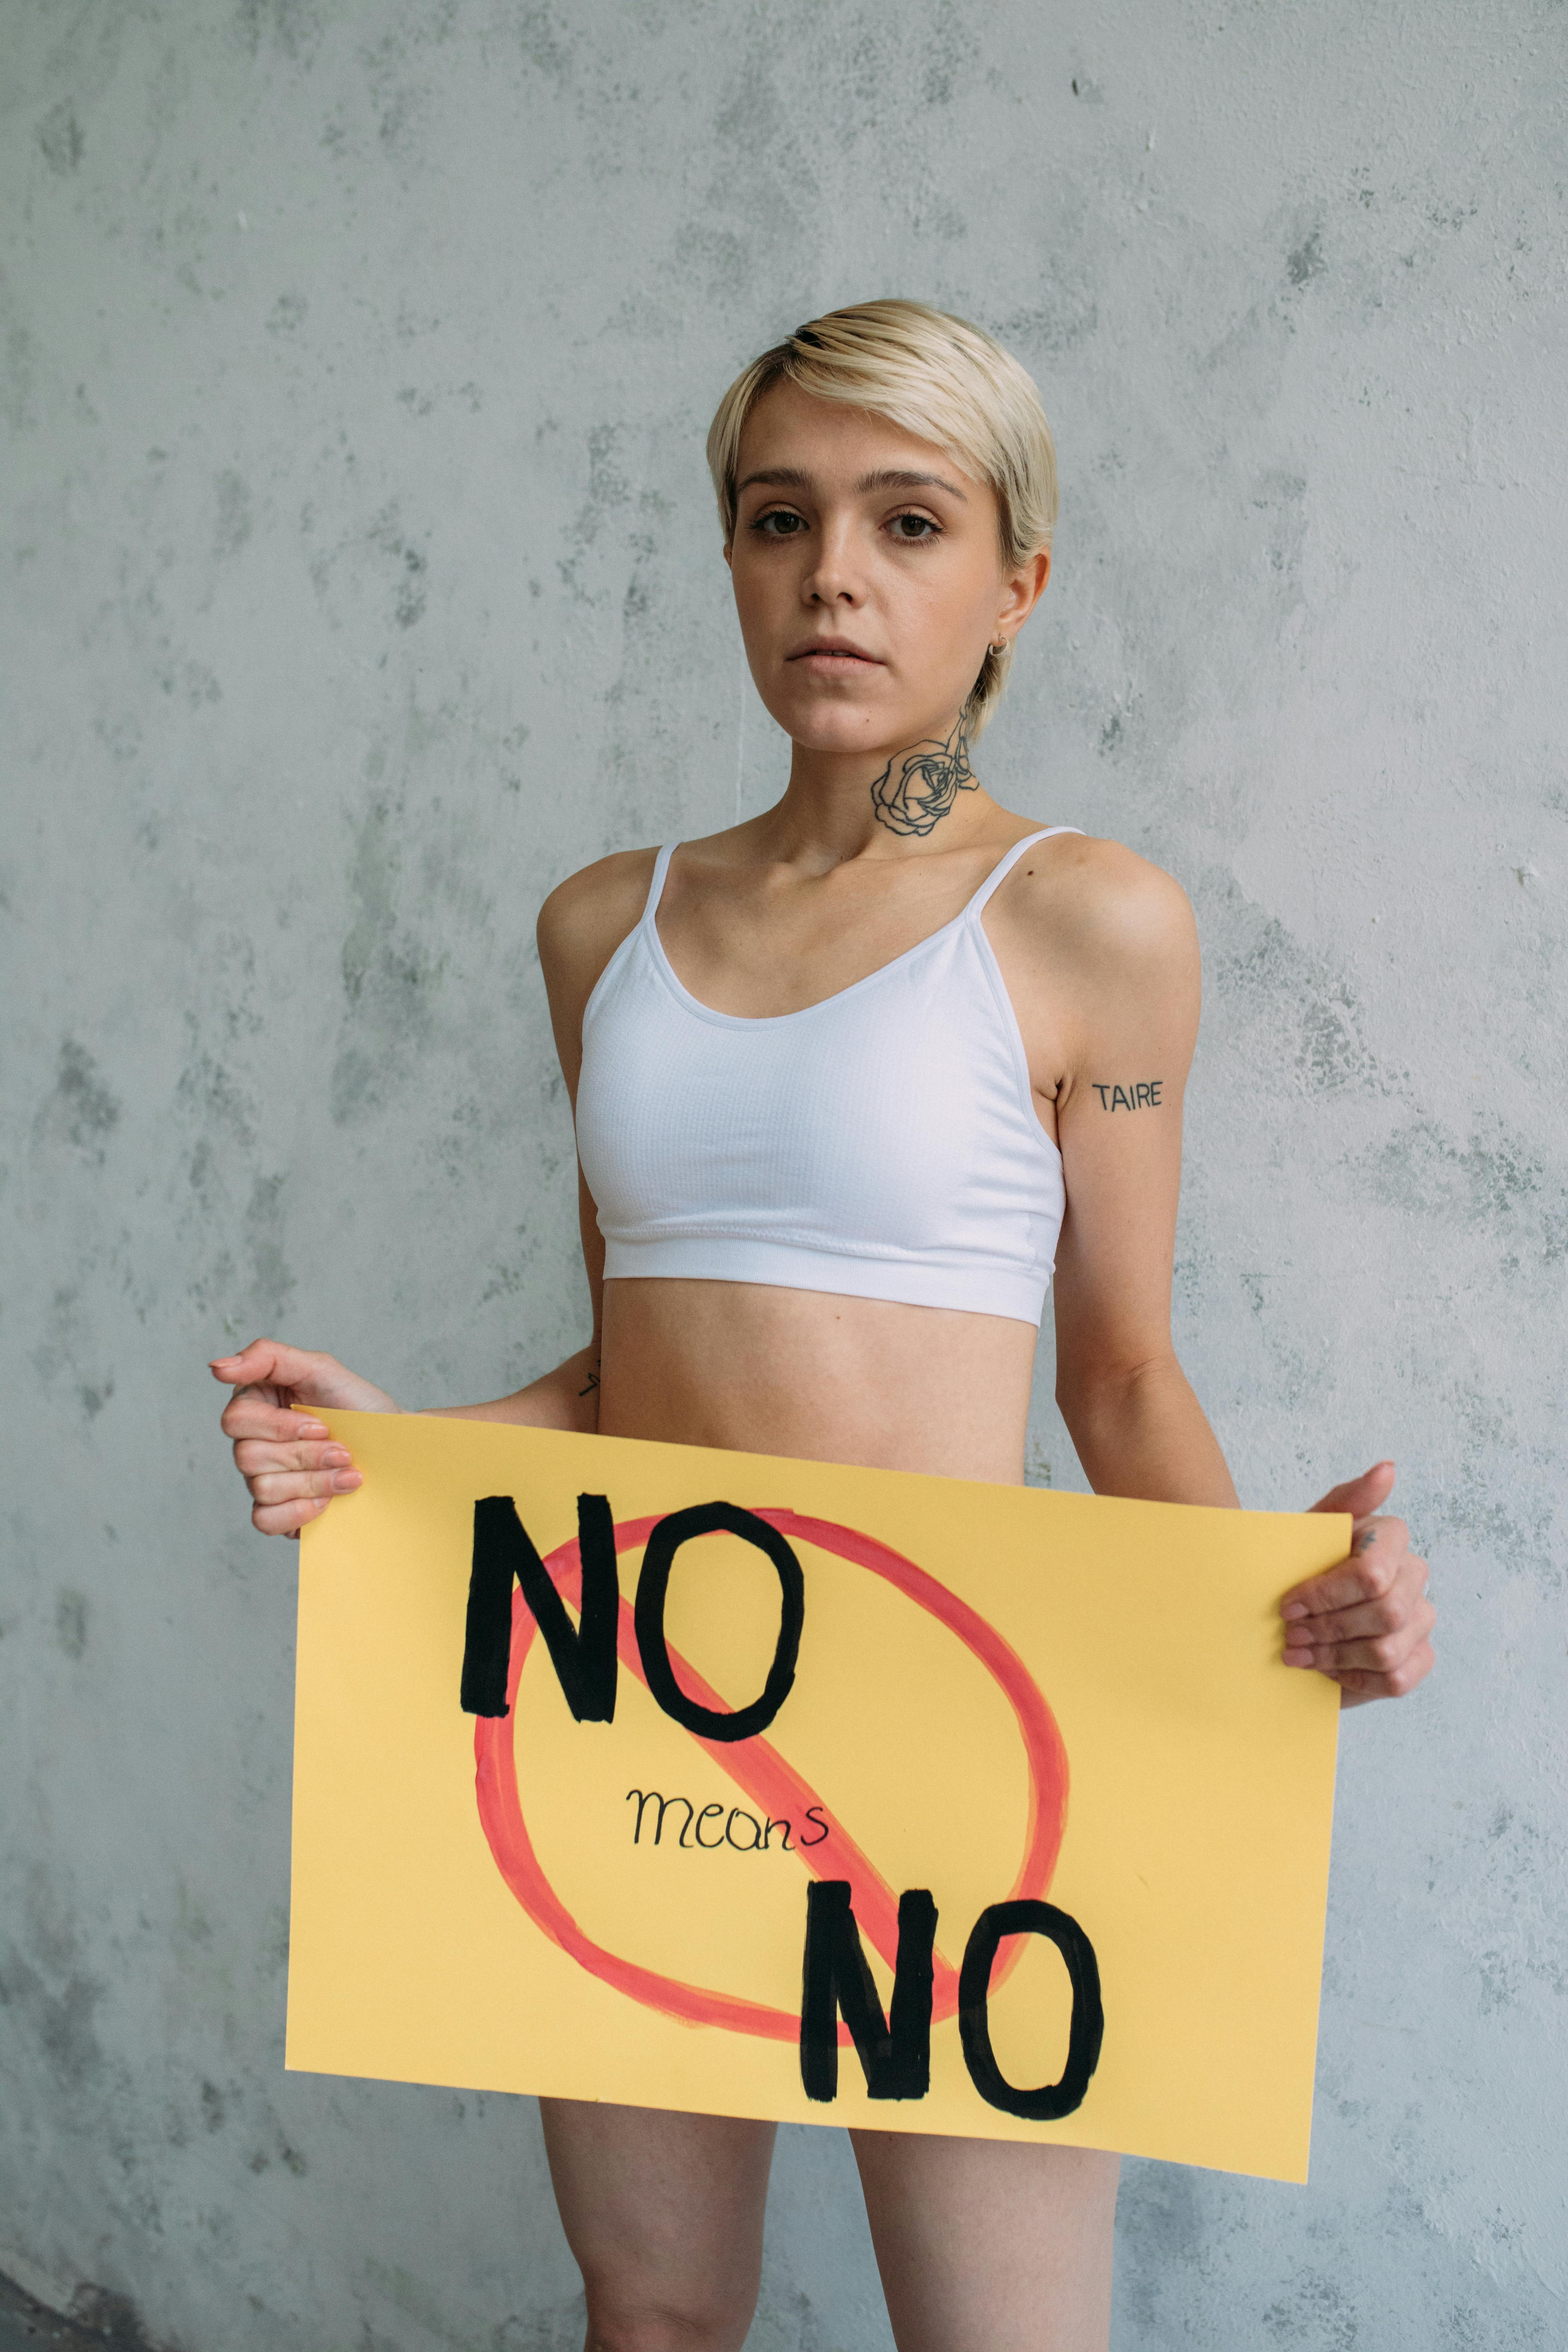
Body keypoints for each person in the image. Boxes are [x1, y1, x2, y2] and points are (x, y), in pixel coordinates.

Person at [210, 301, 1435, 2352]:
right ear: (731, 557)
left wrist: (1287, 1629)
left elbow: (1117, 1374)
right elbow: (632, 1372)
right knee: (655, 2316)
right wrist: (400, 1448)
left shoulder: (1085, 921)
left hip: (960, 1720)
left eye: (908, 521)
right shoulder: (601, 923)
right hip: (634, 1692)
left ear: (1014, 580)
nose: (836, 576)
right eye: (782, 520)